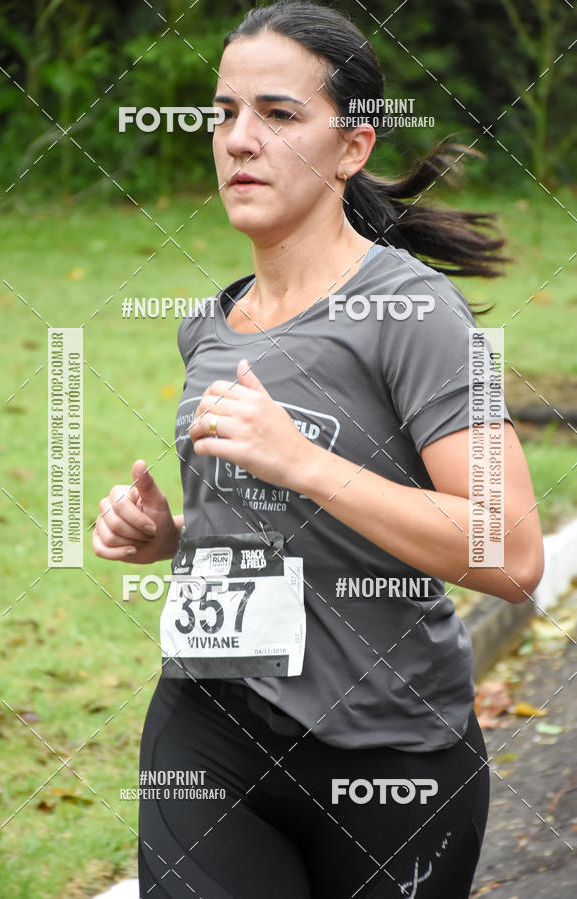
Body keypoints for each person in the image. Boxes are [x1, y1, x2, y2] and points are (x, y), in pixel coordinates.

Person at [93, 2, 544, 896]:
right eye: (224, 114)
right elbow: (283, 518)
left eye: (279, 113)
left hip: (391, 751)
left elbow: (514, 551)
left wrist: (305, 461)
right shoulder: (210, 325)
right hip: (210, 721)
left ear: (354, 148)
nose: (239, 140)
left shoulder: (412, 316)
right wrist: (178, 536)